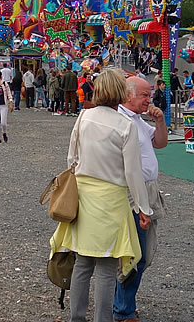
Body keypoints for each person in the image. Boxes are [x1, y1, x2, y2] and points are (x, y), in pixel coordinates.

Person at [48, 68, 152, 322]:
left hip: (83, 198)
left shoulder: (83, 117)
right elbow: (133, 173)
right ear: (120, 93)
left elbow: (71, 158)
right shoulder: (125, 125)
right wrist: (143, 208)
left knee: (82, 263)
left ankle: (77, 318)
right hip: (112, 200)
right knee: (106, 268)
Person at [112, 74, 167, 322]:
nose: (149, 100)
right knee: (136, 252)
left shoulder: (136, 119)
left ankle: (124, 305)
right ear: (128, 95)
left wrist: (160, 121)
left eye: (150, 95)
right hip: (132, 191)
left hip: (147, 188)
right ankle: (122, 309)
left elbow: (161, 143)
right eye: (145, 95)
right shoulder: (119, 119)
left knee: (142, 251)